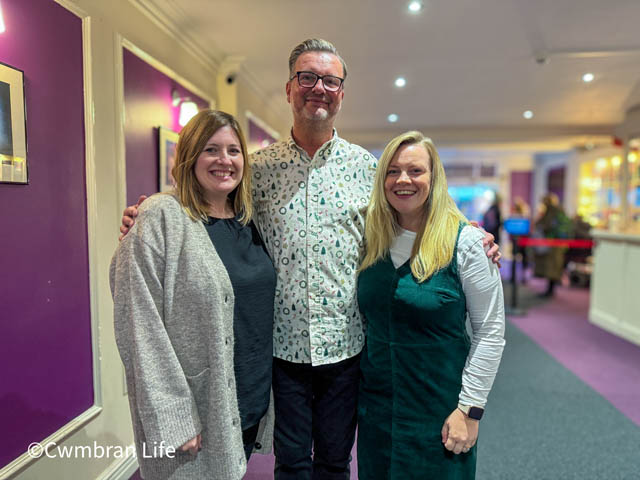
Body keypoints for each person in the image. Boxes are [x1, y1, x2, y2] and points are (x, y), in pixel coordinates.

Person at [119, 39, 501, 480]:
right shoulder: (256, 170)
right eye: (307, 77)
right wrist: (149, 214)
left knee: (336, 463)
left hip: (348, 348)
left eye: (330, 80)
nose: (318, 87)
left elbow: (410, 212)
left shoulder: (366, 169)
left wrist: (467, 233)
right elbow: (208, 208)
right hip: (281, 351)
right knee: (292, 464)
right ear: (288, 89)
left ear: (342, 93)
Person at [110, 110, 275, 479]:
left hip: (245, 402)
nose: (224, 160)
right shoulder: (160, 217)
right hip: (194, 411)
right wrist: (174, 417)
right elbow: (138, 323)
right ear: (189, 156)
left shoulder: (249, 220)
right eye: (211, 149)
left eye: (234, 151)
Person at [356, 131, 506, 479]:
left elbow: (491, 332)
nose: (402, 180)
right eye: (392, 171)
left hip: (440, 410)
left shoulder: (467, 242)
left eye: (415, 171)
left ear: (434, 178)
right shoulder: (371, 237)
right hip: (378, 410)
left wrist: (469, 410)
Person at [533, 193, 570, 297]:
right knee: (552, 267)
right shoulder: (556, 211)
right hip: (555, 244)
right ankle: (550, 289)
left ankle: (550, 290)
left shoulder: (554, 212)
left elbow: (547, 225)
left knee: (552, 267)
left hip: (555, 244)